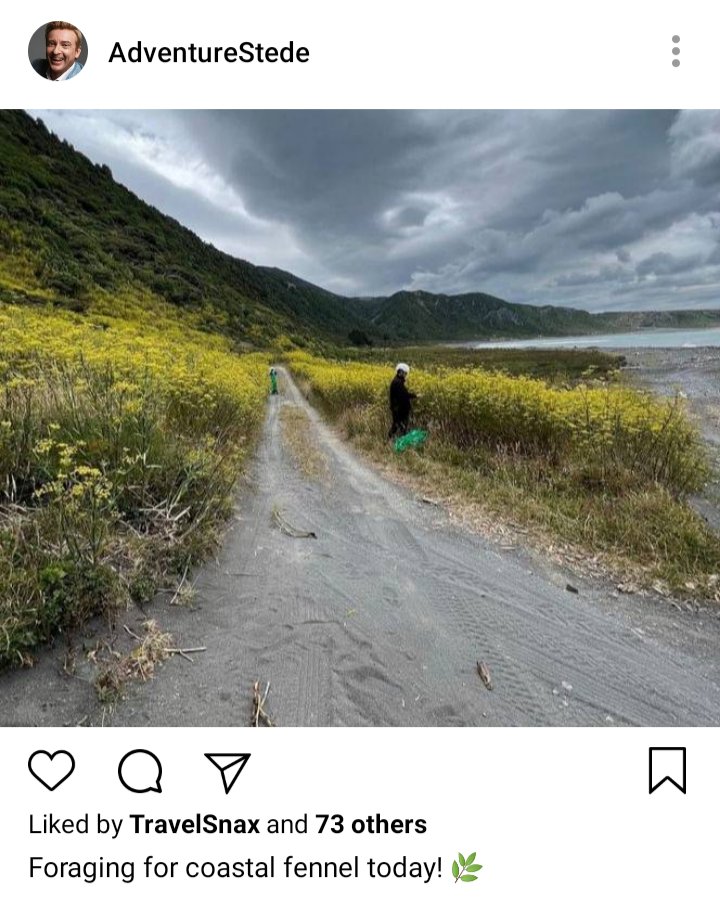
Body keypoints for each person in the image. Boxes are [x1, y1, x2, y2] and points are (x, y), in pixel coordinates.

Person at [388, 363, 416, 440]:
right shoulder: (397, 383)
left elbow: (404, 394)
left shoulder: (398, 381)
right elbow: (404, 395)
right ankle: (398, 443)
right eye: (405, 373)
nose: (406, 375)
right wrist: (415, 396)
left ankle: (389, 441)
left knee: (397, 426)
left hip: (398, 409)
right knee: (400, 427)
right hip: (399, 410)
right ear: (400, 372)